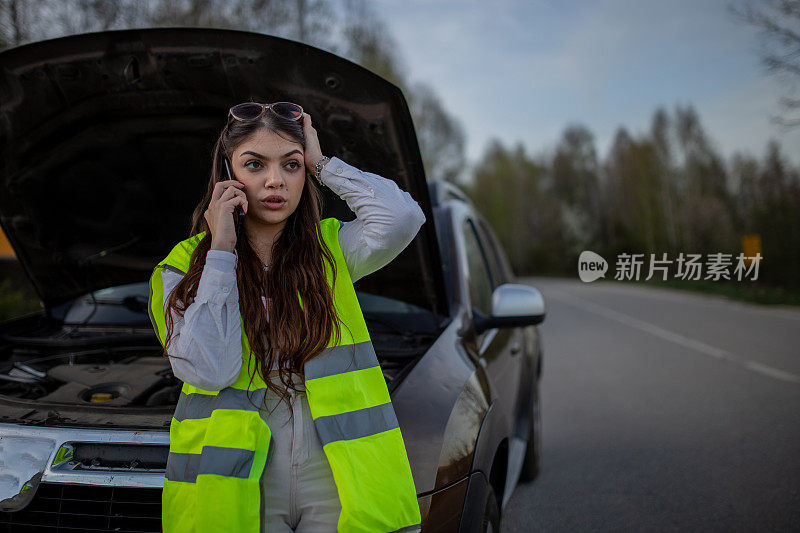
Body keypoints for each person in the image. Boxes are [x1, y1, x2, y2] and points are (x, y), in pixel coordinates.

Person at [147, 102, 425, 533]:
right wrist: (220, 250)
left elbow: (402, 217)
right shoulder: (181, 267)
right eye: (254, 164)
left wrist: (322, 163)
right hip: (243, 473)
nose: (275, 180)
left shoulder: (330, 249)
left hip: (331, 468)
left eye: (290, 165)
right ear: (227, 172)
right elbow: (210, 369)